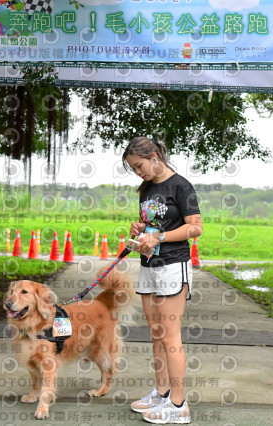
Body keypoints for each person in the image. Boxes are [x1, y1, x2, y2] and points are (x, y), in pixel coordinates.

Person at [122, 136, 202, 424]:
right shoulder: (146, 189)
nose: (138, 172)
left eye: (139, 165)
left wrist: (160, 236)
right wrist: (142, 228)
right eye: (133, 168)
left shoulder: (181, 186)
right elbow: (156, 224)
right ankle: (161, 392)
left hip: (172, 266)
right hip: (149, 265)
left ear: (154, 156)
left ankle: (179, 405)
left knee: (170, 337)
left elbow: (195, 228)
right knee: (156, 333)